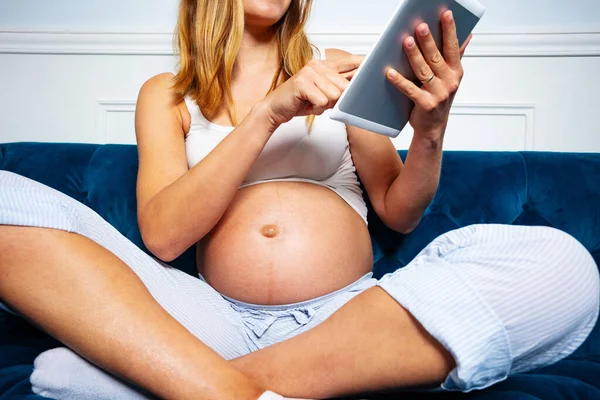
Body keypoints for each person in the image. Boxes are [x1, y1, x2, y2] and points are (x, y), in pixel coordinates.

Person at [1, 0, 598, 399]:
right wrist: (269, 112)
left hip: (350, 322)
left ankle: (188, 386)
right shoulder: (167, 94)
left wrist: (432, 128)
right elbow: (162, 235)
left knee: (566, 269)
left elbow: (398, 209)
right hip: (207, 318)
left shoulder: (339, 73)